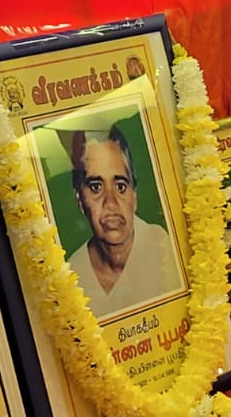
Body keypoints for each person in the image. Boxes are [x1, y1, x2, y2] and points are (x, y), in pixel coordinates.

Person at [64, 127, 181, 318]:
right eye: (96, 187)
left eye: (120, 186)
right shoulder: (72, 276)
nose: (110, 203)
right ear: (80, 200)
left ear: (134, 196)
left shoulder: (165, 248)